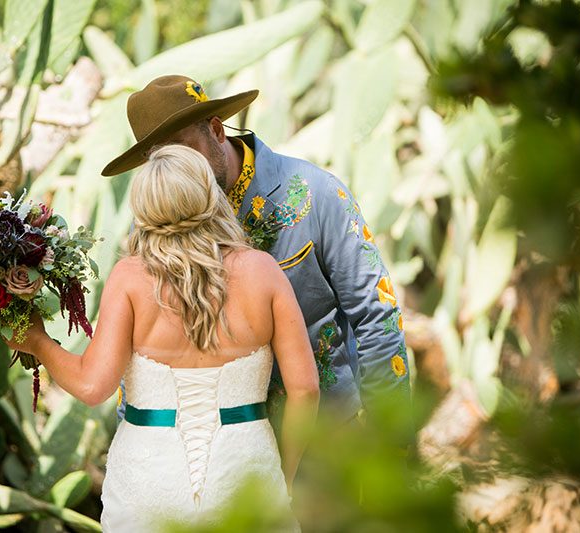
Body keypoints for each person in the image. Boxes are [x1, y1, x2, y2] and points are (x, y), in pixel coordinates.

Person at [7, 145, 320, 531]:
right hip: (246, 472)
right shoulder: (262, 271)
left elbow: (92, 386)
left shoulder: (130, 277)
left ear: (144, 207)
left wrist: (38, 342)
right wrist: (282, 479)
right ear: (209, 196)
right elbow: (305, 390)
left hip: (148, 480)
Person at [102, 75, 411, 430]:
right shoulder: (153, 227)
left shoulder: (316, 193)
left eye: (185, 150)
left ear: (217, 131)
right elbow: (138, 349)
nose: (180, 170)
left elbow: (376, 314)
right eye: (162, 159)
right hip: (216, 452)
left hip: (327, 438)